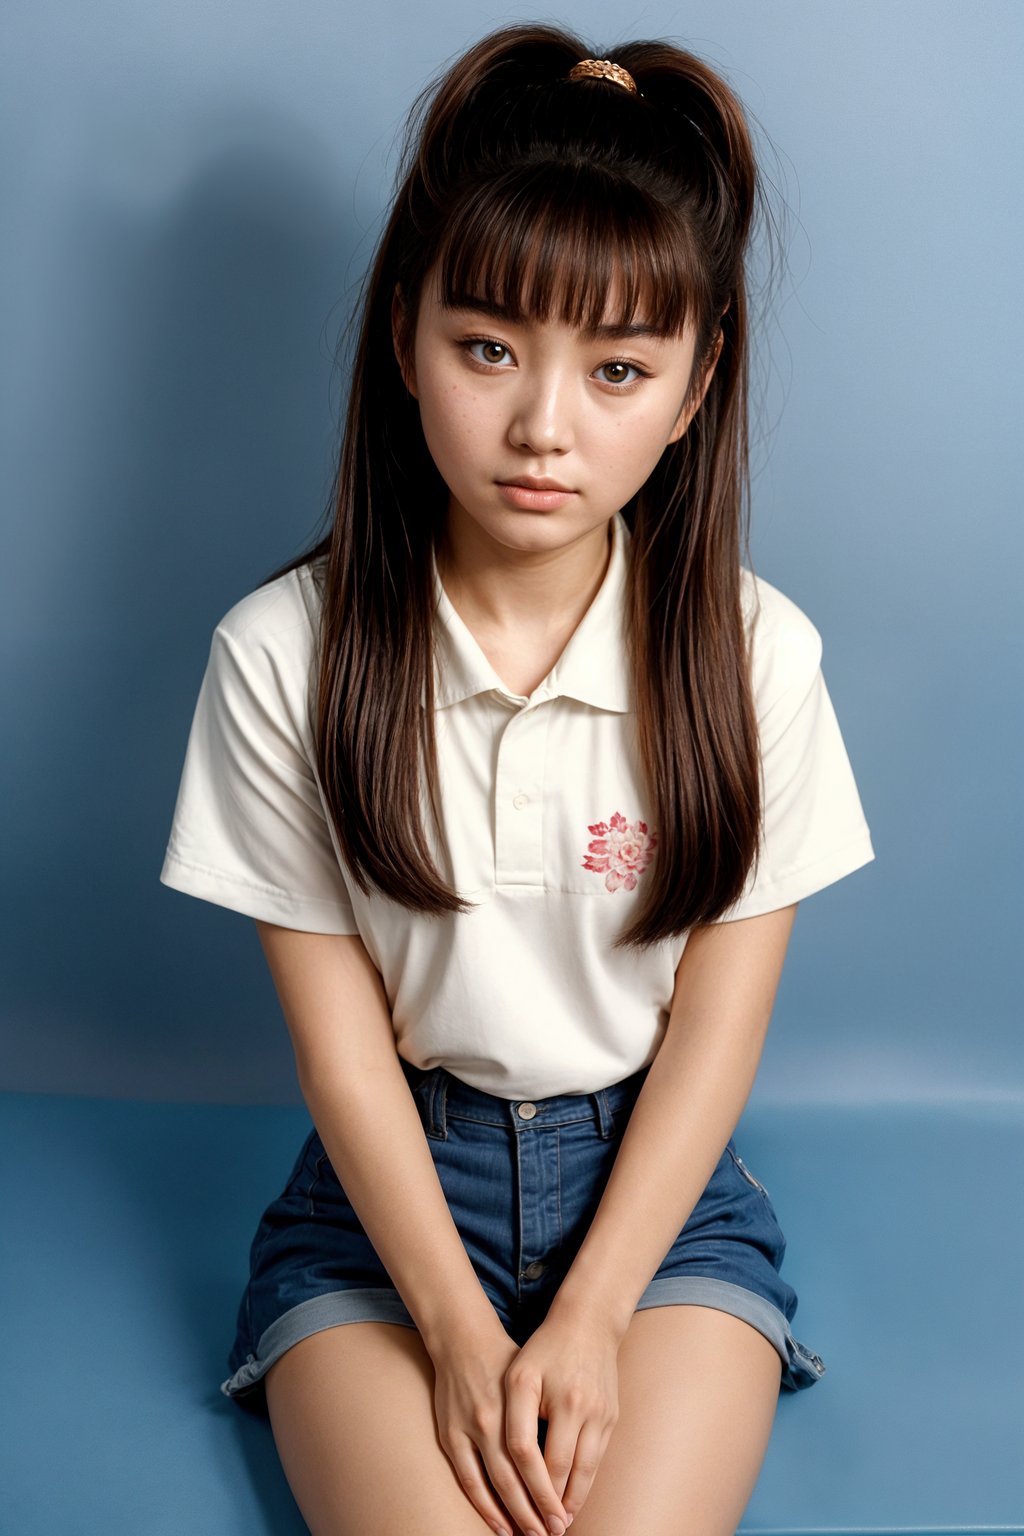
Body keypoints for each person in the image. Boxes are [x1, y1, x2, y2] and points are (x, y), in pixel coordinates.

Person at [159, 23, 875, 1536]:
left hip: (662, 1217)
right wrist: (464, 1332)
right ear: (404, 336)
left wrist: (597, 1314)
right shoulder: (280, 655)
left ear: (695, 389)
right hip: (384, 1214)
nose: (545, 426)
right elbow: (346, 1061)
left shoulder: (759, 657)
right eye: (488, 347)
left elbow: (715, 1036)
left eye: (620, 369)